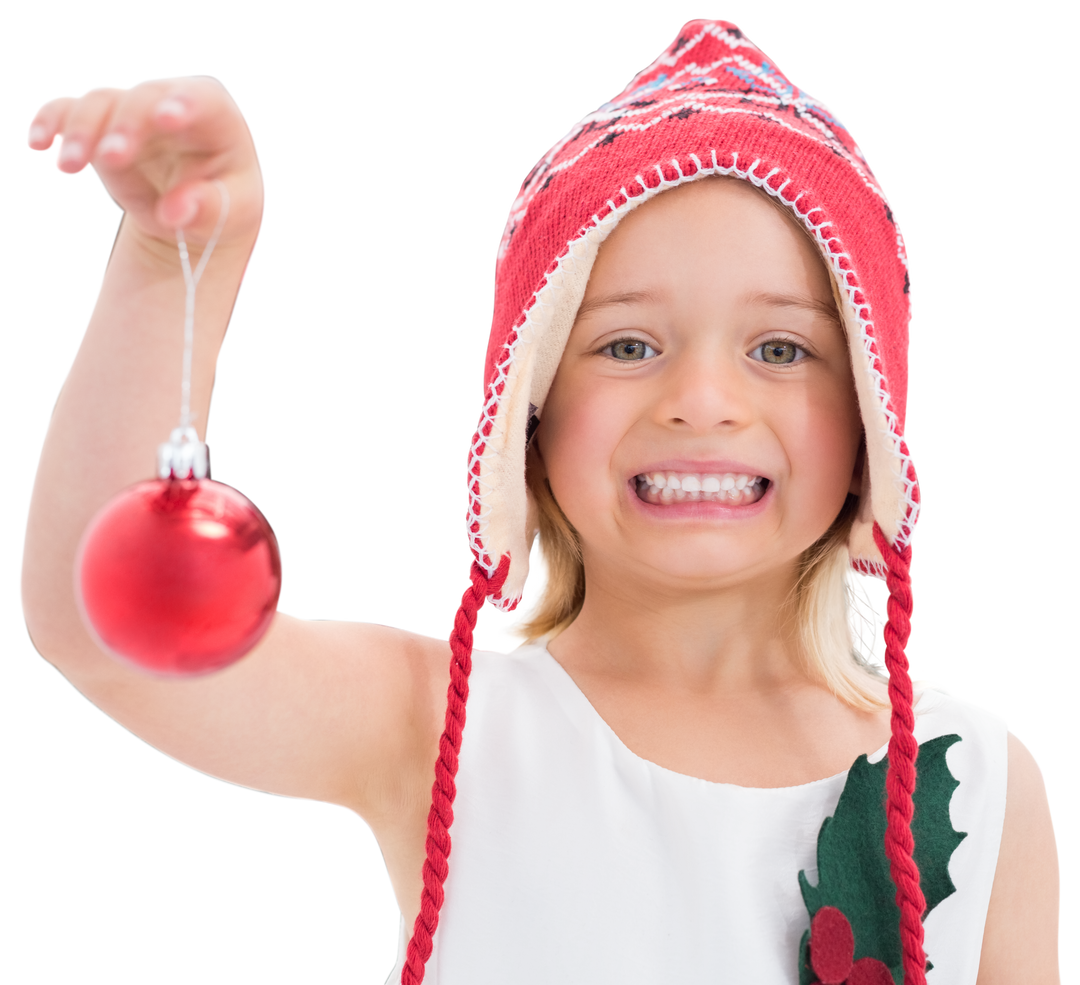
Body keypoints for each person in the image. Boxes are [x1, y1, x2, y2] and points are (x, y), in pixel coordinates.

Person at [17, 15, 1061, 985]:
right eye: (628, 345)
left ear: (873, 419)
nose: (702, 402)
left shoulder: (979, 780)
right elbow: (102, 624)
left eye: (781, 348)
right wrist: (174, 260)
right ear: (532, 410)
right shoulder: (434, 727)